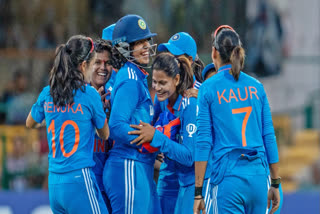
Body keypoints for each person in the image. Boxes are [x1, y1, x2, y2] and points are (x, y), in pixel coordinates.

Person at [193, 25, 281, 214]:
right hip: (259, 178)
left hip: (228, 180)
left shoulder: (208, 88)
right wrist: (275, 183)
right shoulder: (257, 87)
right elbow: (269, 137)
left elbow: (203, 142)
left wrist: (198, 193)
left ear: (214, 52)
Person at [26, 35, 109, 214]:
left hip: (54, 183)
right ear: (83, 65)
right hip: (79, 179)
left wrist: (51, 120)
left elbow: (30, 123)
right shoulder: (90, 94)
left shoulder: (48, 93)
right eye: (94, 64)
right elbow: (105, 134)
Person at [129, 52, 212, 214]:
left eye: (162, 83)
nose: (157, 88)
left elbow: (189, 157)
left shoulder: (190, 103)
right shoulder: (164, 100)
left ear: (176, 80)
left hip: (197, 183)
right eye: (154, 82)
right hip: (181, 181)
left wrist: (156, 138)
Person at [102, 14, 158, 214]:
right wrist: (147, 141)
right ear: (125, 48)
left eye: (146, 40)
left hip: (137, 166)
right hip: (128, 165)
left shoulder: (136, 76)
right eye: (138, 42)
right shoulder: (130, 79)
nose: (146, 46)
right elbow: (116, 127)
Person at [154, 32, 205, 214]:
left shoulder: (200, 95)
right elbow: (154, 124)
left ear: (189, 60)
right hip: (169, 172)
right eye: (168, 55)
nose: (170, 61)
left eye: (176, 57)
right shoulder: (164, 91)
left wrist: (158, 139)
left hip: (191, 177)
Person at [89, 38, 114, 212]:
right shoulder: (78, 97)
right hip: (87, 181)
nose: (103, 68)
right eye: (98, 62)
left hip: (112, 183)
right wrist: (94, 110)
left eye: (107, 63)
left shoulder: (118, 97)